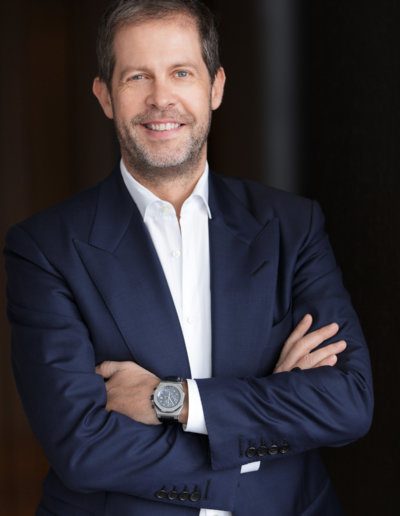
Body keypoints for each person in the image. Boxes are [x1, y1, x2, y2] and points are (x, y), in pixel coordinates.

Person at [4, 0, 373, 514]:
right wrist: (269, 420)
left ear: (215, 87)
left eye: (181, 72)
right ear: (105, 96)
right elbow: (83, 449)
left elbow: (348, 402)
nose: (161, 98)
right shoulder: (44, 248)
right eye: (137, 77)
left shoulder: (292, 226)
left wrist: (173, 400)